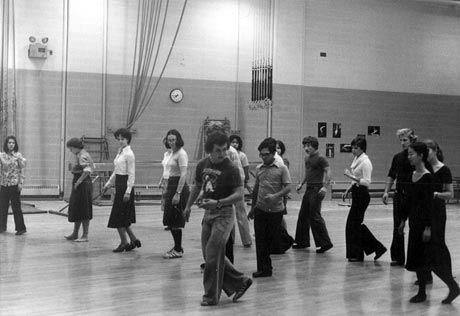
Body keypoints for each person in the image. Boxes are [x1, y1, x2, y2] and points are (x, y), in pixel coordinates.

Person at [183, 131, 252, 306]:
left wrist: (218, 202)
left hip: (225, 214)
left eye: (224, 149)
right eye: (218, 150)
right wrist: (188, 206)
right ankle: (240, 281)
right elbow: (197, 186)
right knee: (209, 255)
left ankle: (210, 296)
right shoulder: (202, 165)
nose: (222, 153)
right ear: (209, 150)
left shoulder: (231, 168)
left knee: (213, 254)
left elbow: (239, 194)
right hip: (209, 214)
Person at [248, 138, 291, 277]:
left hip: (276, 210)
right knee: (260, 240)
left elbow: (288, 188)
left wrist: (275, 196)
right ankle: (264, 269)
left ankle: (286, 243)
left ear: (273, 154)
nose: (263, 157)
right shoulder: (259, 169)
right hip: (260, 209)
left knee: (270, 239)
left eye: (266, 154)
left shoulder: (282, 168)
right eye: (261, 154)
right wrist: (252, 207)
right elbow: (256, 189)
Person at [423, 140, 459, 303]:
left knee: (438, 245)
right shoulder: (425, 169)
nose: (425, 154)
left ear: (435, 151)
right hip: (427, 211)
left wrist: (436, 194)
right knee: (432, 247)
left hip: (437, 213)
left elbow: (450, 194)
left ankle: (450, 281)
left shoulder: (444, 169)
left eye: (428, 150)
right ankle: (431, 277)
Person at [342, 137, 386, 262]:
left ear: (362, 148)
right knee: (354, 226)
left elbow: (366, 182)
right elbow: (356, 178)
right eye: (353, 148)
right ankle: (376, 248)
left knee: (353, 225)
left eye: (356, 148)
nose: (353, 150)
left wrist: (350, 176)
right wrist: (348, 189)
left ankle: (359, 253)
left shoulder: (366, 162)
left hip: (362, 195)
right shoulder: (357, 159)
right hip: (356, 193)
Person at [402, 142, 434, 303]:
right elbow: (408, 201)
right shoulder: (411, 176)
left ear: (421, 156)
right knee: (415, 256)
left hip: (423, 224)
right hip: (413, 222)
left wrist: (428, 227)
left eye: (411, 154)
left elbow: (429, 205)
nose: (409, 157)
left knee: (422, 258)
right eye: (408, 154)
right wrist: (402, 221)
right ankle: (421, 290)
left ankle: (422, 292)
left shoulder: (428, 178)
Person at [382, 128, 416, 267]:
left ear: (412, 140)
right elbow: (391, 175)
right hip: (400, 196)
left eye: (405, 140)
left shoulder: (418, 156)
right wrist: (386, 191)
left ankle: (415, 260)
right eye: (401, 140)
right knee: (398, 227)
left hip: (414, 197)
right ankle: (397, 257)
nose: (402, 143)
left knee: (415, 228)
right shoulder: (398, 157)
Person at [103, 128, 141, 252]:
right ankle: (133, 239)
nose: (120, 141)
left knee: (118, 217)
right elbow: (116, 170)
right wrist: (108, 184)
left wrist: (128, 191)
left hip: (125, 187)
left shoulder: (129, 154)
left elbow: (131, 174)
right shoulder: (120, 152)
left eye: (122, 139)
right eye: (118, 139)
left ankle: (124, 242)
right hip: (119, 185)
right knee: (122, 217)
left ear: (128, 139)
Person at [293, 136, 333, 253]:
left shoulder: (321, 158)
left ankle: (325, 243)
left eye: (308, 146)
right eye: (304, 146)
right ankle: (302, 241)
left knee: (314, 216)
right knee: (303, 215)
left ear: (314, 146)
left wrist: (325, 187)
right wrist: (301, 183)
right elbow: (308, 173)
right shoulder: (307, 158)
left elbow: (328, 171)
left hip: (317, 189)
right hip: (309, 189)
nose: (306, 148)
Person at [162, 129, 190, 259]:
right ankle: (177, 246)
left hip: (178, 186)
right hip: (172, 184)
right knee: (170, 219)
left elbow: (184, 174)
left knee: (175, 220)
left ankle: (178, 249)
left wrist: (178, 193)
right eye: (169, 140)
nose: (171, 142)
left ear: (178, 139)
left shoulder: (181, 154)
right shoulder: (171, 153)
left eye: (173, 140)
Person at [65, 138, 94, 242]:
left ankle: (85, 235)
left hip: (83, 184)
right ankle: (75, 233)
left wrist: (79, 182)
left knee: (84, 209)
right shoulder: (80, 154)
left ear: (75, 147)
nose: (70, 151)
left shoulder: (83, 155)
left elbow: (87, 170)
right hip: (80, 183)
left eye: (71, 148)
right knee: (77, 208)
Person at [0, 136, 27, 235]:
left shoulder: (18, 156)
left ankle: (21, 228)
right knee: (2, 207)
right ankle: (1, 227)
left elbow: (22, 170)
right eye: (9, 143)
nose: (11, 144)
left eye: (13, 143)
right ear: (6, 144)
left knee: (16, 207)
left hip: (14, 184)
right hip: (4, 184)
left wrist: (21, 183)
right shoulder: (2, 155)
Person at [159, 138, 172, 230]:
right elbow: (165, 169)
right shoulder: (165, 154)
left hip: (172, 180)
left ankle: (172, 222)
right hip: (165, 180)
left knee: (169, 202)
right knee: (165, 202)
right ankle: (168, 222)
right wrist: (161, 180)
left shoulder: (175, 154)